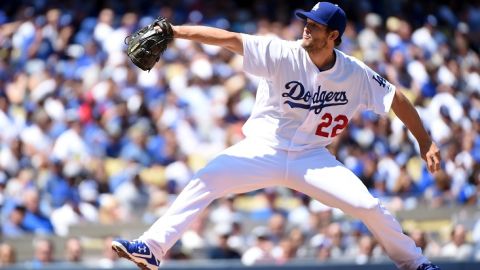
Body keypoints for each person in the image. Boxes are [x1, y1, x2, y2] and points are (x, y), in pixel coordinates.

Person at [112, 2, 442, 270]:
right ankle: (152, 248)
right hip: (263, 149)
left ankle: (415, 263)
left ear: (333, 35)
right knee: (207, 178)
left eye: (314, 25)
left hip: (313, 158)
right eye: (306, 22)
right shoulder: (283, 52)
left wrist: (424, 141)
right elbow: (230, 39)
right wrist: (174, 32)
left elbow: (396, 98)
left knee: (368, 206)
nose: (305, 28)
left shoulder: (354, 72)